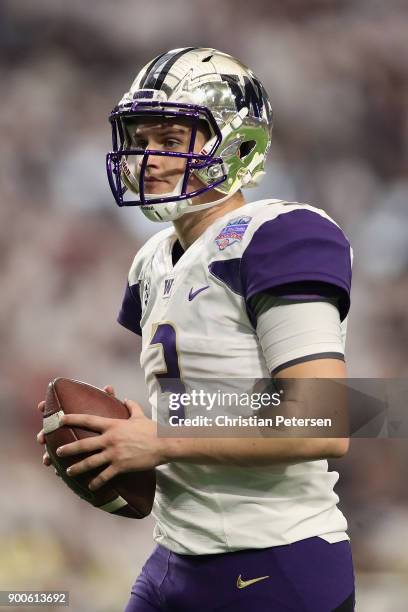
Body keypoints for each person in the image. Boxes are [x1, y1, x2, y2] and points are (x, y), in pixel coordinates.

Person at [37, 48, 355, 611]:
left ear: (238, 145)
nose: (148, 158)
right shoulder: (153, 260)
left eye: (170, 140)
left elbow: (323, 419)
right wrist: (119, 437)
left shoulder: (279, 235)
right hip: (175, 556)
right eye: (139, 139)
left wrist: (158, 442)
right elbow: (213, 401)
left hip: (274, 560)